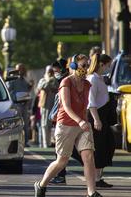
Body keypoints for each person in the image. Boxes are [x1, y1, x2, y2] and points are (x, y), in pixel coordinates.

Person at [34, 54, 101, 197]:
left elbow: (87, 106)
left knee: (88, 156)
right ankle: (41, 184)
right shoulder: (66, 82)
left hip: (83, 125)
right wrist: (80, 121)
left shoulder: (87, 84)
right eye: (83, 65)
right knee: (62, 161)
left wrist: (91, 120)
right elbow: (67, 107)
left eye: (87, 65)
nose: (86, 68)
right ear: (73, 67)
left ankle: (91, 192)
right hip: (66, 124)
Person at [86, 53, 114, 188]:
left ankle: (98, 176)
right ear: (101, 64)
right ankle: (95, 178)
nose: (109, 68)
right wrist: (96, 120)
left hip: (103, 115)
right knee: (99, 147)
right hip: (95, 116)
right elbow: (91, 102)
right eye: (108, 65)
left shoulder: (100, 79)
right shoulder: (93, 79)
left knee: (107, 145)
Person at [7, 63, 34, 146]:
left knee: (25, 124)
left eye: (22, 69)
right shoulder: (13, 79)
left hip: (24, 104)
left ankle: (25, 142)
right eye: (19, 69)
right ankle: (16, 141)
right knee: (16, 124)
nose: (20, 71)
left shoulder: (25, 79)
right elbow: (8, 89)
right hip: (17, 104)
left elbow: (27, 90)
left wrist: (31, 86)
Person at [37, 65, 59, 148]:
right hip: (44, 105)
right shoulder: (43, 80)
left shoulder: (55, 80)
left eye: (51, 71)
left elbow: (57, 87)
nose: (50, 73)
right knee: (44, 124)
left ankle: (49, 143)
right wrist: (48, 80)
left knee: (50, 124)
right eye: (48, 71)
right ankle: (44, 143)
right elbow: (41, 87)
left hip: (53, 105)